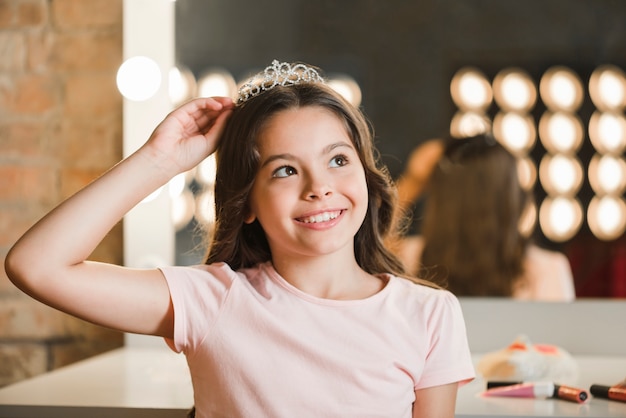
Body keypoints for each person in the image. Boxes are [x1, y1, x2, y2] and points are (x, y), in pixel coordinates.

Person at [5, 60, 474, 417]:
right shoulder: (211, 301)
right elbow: (36, 267)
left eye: (337, 160)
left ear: (366, 178)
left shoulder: (429, 314)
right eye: (286, 170)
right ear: (246, 202)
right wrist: (159, 161)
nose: (319, 187)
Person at [395, 133, 576, 301]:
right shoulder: (547, 269)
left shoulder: (409, 260)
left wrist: (413, 182)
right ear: (512, 200)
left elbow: (375, 236)